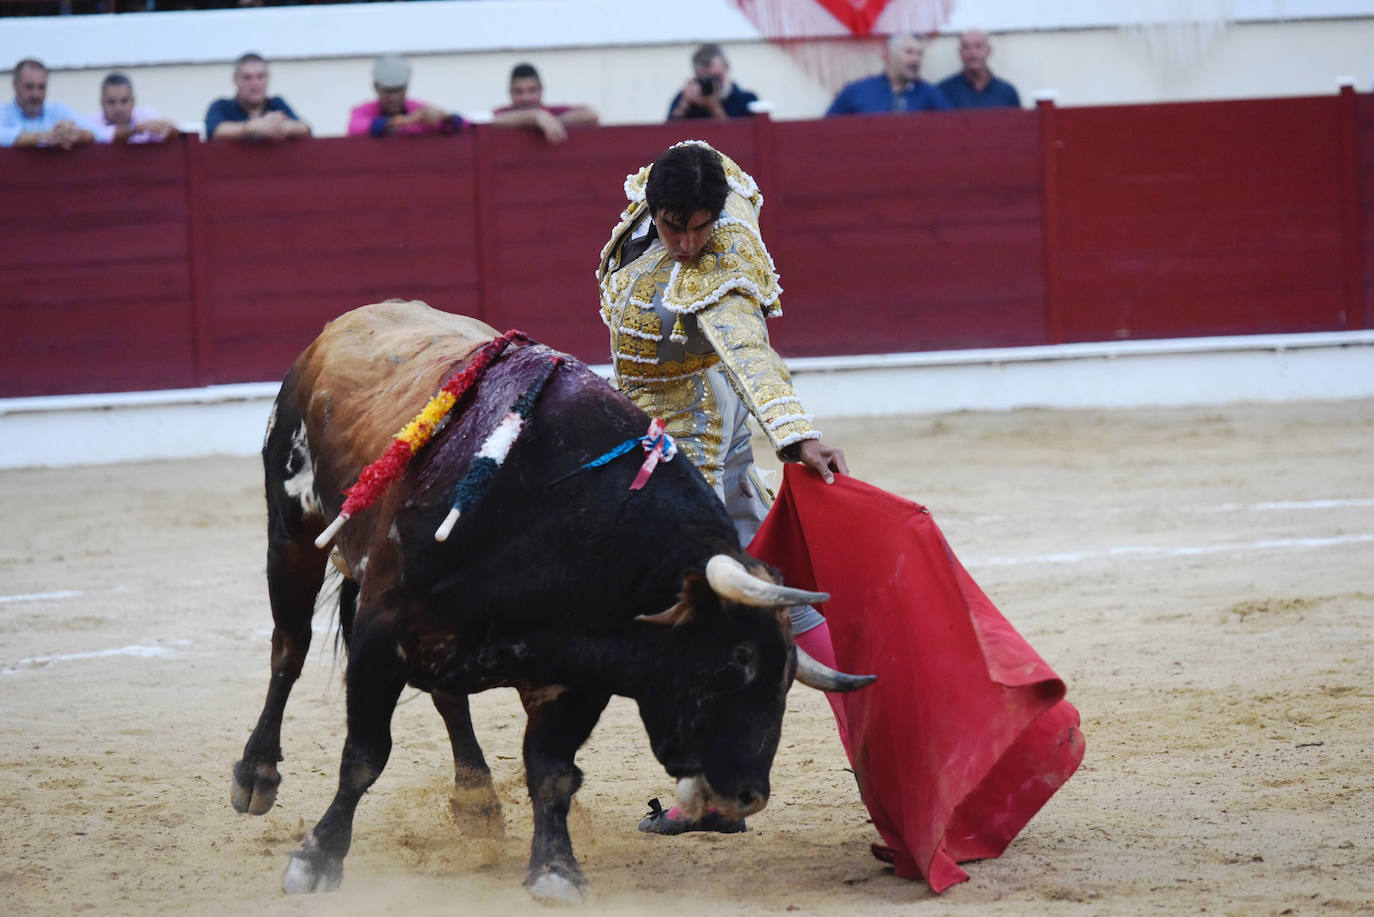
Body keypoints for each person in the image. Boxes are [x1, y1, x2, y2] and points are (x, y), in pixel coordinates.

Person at [596, 141, 850, 835]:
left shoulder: (722, 257)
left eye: (700, 226)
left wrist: (796, 438)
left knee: (697, 607)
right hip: (656, 427)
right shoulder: (655, 201)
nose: (687, 243)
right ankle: (852, 705)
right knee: (758, 569)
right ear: (654, 208)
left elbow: (747, 348)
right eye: (676, 226)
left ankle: (702, 793)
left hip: (696, 438)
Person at [825, 32, 952, 116]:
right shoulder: (856, 91)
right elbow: (825, 131)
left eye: (919, 54)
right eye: (909, 52)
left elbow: (953, 129)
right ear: (888, 56)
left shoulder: (930, 94)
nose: (916, 59)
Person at [346, 54, 462, 137]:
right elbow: (355, 127)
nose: (394, 97)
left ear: (406, 87)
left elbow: (462, 123)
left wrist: (445, 118)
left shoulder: (418, 108)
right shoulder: (364, 110)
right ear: (376, 88)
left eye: (399, 90)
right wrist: (406, 121)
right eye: (389, 91)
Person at [205, 52, 310, 143]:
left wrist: (282, 127)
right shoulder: (221, 106)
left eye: (260, 76)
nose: (255, 84)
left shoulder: (277, 104)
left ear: (268, 79)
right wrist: (251, 127)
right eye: (247, 77)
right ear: (235, 80)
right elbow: (214, 131)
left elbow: (305, 128)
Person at [491, 62, 598, 144]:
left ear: (541, 90)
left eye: (532, 90)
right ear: (510, 93)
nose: (526, 98)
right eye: (519, 91)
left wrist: (551, 121)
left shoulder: (551, 112)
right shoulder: (503, 113)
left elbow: (591, 114)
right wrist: (535, 116)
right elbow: (490, 120)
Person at [1, 58, 96, 149]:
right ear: (15, 86)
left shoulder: (59, 111)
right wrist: (42, 137)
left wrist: (76, 135)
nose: (35, 94)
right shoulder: (3, 113)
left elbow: (98, 133)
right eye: (29, 87)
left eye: (41, 87)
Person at [666, 43, 759, 120]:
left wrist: (714, 108)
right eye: (703, 79)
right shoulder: (687, 100)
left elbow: (741, 137)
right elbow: (667, 136)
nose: (712, 84)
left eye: (716, 77)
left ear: (727, 66)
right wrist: (683, 105)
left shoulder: (747, 101)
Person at [936, 29, 1022, 109]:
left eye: (978, 46)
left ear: (988, 51)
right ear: (960, 53)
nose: (972, 52)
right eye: (966, 47)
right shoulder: (943, 91)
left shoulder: (1007, 92)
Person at [89, 72, 178, 143]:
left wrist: (169, 129)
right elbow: (103, 136)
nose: (118, 108)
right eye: (111, 102)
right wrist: (135, 129)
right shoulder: (91, 122)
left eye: (124, 101)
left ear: (133, 102)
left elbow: (171, 133)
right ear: (102, 104)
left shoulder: (146, 115)